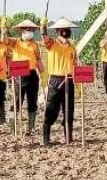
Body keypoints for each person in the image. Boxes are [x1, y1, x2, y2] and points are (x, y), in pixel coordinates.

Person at [40, 17, 78, 145]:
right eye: (63, 30)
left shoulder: (72, 48)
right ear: (57, 32)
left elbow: (75, 64)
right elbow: (45, 39)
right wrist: (43, 29)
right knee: (51, 109)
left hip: (69, 79)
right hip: (55, 80)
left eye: (67, 30)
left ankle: (69, 137)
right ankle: (46, 138)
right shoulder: (52, 44)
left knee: (69, 109)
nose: (66, 32)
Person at [5, 19, 43, 135]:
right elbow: (4, 40)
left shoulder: (35, 45)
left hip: (32, 75)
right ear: (22, 31)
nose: (30, 32)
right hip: (18, 74)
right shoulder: (15, 42)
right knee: (16, 102)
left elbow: (38, 59)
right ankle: (12, 127)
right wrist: (3, 30)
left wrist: (43, 73)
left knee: (32, 102)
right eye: (27, 30)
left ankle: (31, 128)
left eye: (31, 30)